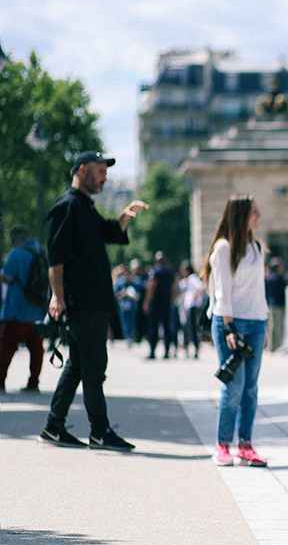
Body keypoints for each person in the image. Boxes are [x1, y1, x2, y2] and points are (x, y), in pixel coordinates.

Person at [38, 150, 148, 451]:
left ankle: (53, 427)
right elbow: (56, 256)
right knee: (93, 367)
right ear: (83, 170)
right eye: (100, 172)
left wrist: (123, 216)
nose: (104, 178)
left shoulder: (85, 207)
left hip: (92, 301)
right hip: (82, 303)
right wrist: (57, 298)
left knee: (78, 365)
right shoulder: (67, 206)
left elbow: (108, 232)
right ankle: (99, 431)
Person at [202, 194, 269, 467]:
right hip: (230, 322)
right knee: (234, 386)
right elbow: (222, 292)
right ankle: (222, 444)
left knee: (251, 388)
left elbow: (259, 290)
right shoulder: (223, 248)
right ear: (241, 214)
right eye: (254, 211)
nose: (259, 215)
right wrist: (229, 327)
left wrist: (265, 325)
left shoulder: (257, 248)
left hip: (255, 322)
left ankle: (245, 446)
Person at [0, 227, 47, 394]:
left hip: (17, 309)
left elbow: (7, 278)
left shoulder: (16, 253)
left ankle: (0, 380)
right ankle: (33, 382)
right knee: (36, 348)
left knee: (7, 345)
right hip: (38, 310)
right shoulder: (42, 252)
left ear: (16, 239)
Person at [143, 251, 177, 359]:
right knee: (166, 326)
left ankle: (152, 351)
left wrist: (146, 302)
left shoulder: (155, 271)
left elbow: (151, 287)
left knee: (154, 326)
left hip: (156, 302)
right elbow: (173, 289)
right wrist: (171, 301)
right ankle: (167, 351)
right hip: (166, 302)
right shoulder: (170, 272)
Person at [177, 260, 204, 359]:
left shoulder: (192, 278)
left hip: (193, 307)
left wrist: (194, 297)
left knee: (191, 328)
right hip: (189, 306)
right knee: (188, 328)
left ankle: (193, 349)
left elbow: (200, 287)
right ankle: (190, 349)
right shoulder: (186, 280)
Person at [265, 257, 286, 352]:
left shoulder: (268, 278)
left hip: (270, 304)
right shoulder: (278, 278)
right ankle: (275, 346)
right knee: (276, 326)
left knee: (271, 325)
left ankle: (272, 345)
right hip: (277, 304)